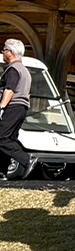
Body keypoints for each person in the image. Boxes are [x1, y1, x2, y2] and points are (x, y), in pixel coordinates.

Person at [0, 40, 35, 180]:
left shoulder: (13, 69)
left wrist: (2, 107)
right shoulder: (25, 71)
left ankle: (26, 159)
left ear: (11, 53)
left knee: (1, 137)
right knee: (10, 138)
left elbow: (10, 90)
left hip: (12, 106)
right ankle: (2, 171)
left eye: (4, 50)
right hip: (22, 108)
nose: (2, 52)